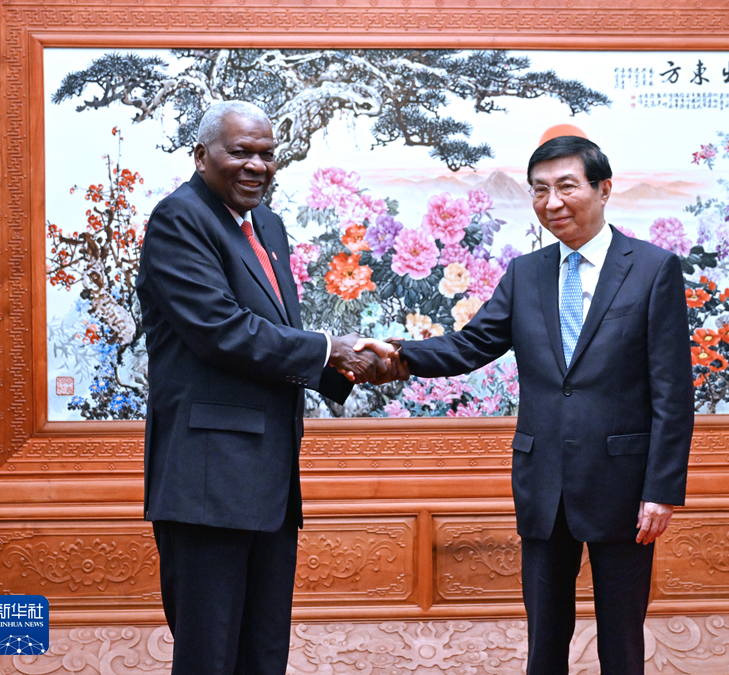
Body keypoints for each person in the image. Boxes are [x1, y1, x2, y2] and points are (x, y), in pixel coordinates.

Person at [371, 136, 694, 675]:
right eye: (540, 190)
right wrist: (396, 355)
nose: (553, 202)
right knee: (544, 638)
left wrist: (661, 490)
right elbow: (471, 345)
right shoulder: (526, 273)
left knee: (622, 639)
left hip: (623, 484)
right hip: (543, 482)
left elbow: (672, 392)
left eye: (567, 186)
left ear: (603, 189)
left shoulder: (652, 269)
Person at [136, 100, 393, 675]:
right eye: (241, 152)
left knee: (264, 652)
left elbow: (276, 335)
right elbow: (221, 331)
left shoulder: (267, 225)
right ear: (201, 156)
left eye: (267, 154)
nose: (257, 165)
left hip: (269, 482)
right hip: (208, 484)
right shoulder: (179, 219)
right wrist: (329, 349)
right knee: (209, 656)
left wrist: (349, 365)